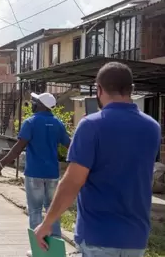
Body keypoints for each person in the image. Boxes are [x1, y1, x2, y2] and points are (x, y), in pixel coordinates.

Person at [34, 62, 161, 256]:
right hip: (136, 238)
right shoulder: (153, 127)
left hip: (98, 235)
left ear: (99, 89)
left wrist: (47, 223)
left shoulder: (90, 126)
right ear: (132, 89)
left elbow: (73, 182)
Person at [0, 92, 70, 255]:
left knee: (35, 210)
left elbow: (18, 148)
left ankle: (39, 249)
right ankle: (54, 250)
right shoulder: (57, 123)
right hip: (52, 174)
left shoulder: (30, 122)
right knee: (52, 209)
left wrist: (0, 164)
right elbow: (70, 145)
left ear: (41, 105)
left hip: (34, 174)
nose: (32, 103)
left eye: (34, 101)